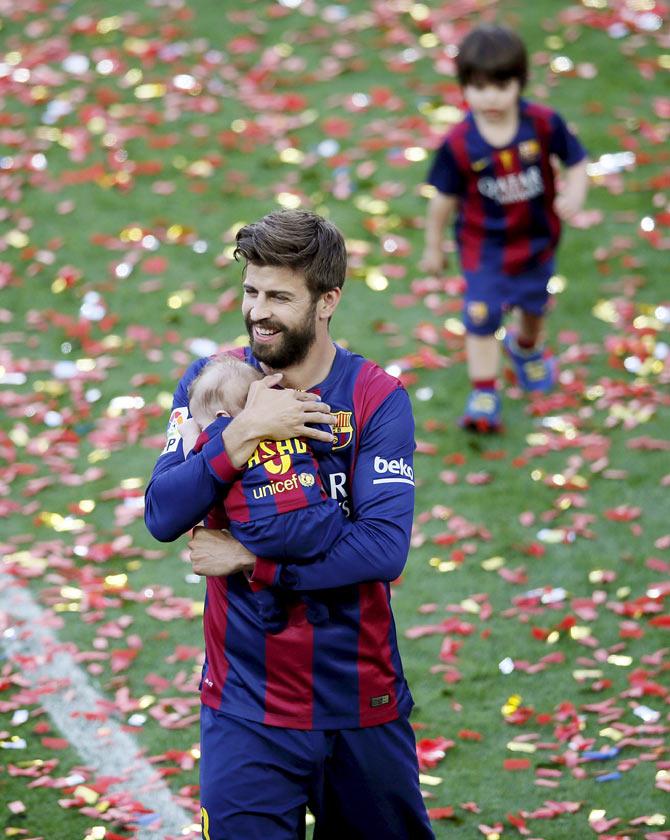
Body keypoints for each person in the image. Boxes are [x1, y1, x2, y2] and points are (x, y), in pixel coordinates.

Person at [144, 209, 435, 840]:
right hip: (246, 707)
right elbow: (163, 513)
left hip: (360, 705)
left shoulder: (375, 398)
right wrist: (244, 430)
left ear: (327, 301)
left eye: (279, 296)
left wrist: (252, 562)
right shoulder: (212, 384)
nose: (258, 312)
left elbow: (383, 550)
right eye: (251, 291)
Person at [421, 23, 589, 432]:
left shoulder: (544, 124)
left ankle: (525, 347)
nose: (490, 96)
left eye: (501, 84)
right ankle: (484, 391)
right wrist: (433, 246)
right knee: (481, 316)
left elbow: (578, 160)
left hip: (535, 244)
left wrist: (575, 193)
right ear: (464, 88)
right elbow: (444, 199)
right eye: (478, 86)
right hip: (484, 252)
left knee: (534, 309)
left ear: (520, 81)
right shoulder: (459, 144)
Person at [180, 353, 341, 632]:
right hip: (317, 520)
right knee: (318, 545)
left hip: (260, 531)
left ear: (219, 417)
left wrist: (189, 436)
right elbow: (325, 445)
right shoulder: (288, 418)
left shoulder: (218, 433)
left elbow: (197, 472)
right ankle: (317, 600)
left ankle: (269, 605)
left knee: (235, 535)